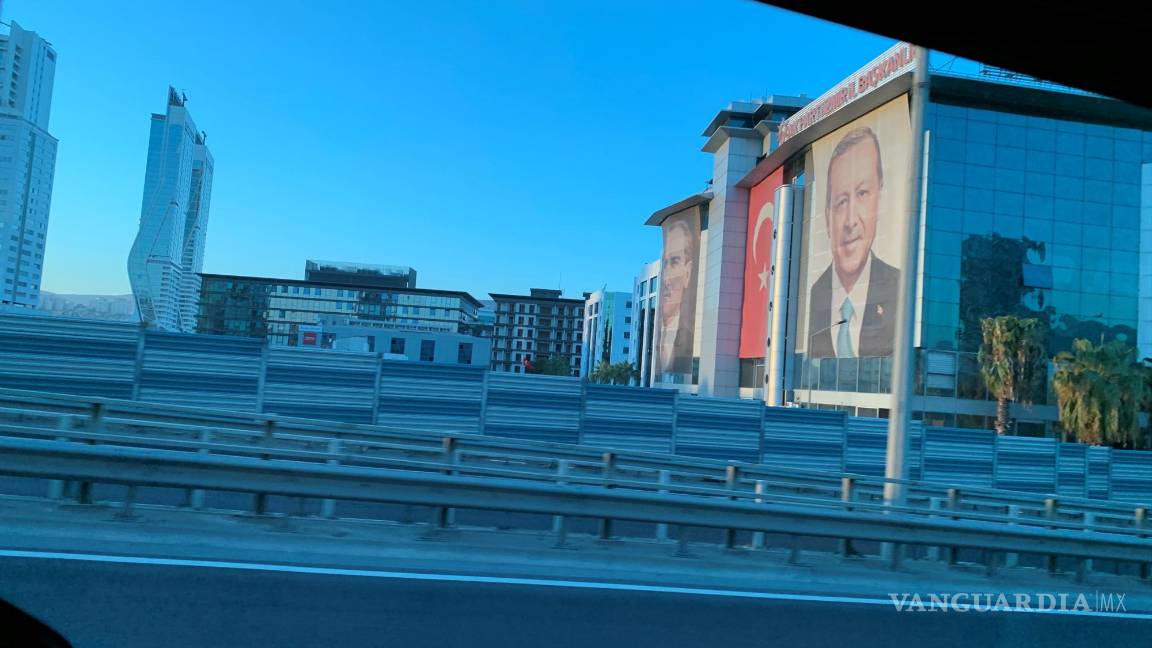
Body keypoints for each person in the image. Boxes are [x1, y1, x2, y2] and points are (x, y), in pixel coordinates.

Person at [808, 126, 899, 359]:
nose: (850, 221)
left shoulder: (899, 289)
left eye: (862, 194)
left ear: (880, 200)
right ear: (827, 216)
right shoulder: (814, 295)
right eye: (841, 201)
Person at [658, 214, 698, 375]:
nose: (667, 278)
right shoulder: (655, 339)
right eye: (665, 263)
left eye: (674, 262)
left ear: (687, 273)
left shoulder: (691, 339)